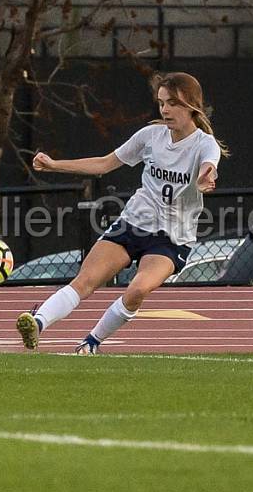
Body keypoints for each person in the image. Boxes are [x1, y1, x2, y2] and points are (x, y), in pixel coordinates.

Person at [16, 72, 227, 354]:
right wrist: (55, 165)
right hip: (133, 223)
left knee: (137, 291)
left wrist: (205, 177)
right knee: (85, 281)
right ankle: (37, 322)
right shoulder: (151, 136)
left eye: (172, 103)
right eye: (161, 103)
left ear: (192, 105)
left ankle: (91, 342)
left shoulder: (204, 143)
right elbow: (104, 164)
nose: (165, 110)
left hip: (171, 238)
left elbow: (209, 165)